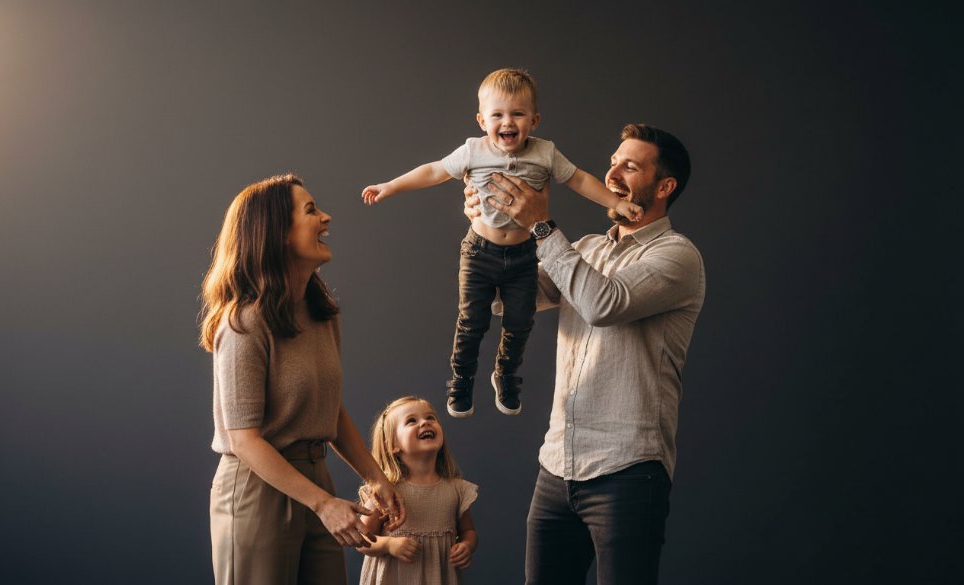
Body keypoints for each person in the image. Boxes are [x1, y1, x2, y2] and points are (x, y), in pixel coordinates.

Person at [465, 124, 706, 584]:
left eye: (630, 166)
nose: (611, 173)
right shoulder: (587, 248)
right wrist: (488, 229)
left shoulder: (678, 256)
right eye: (613, 161)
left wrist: (540, 226)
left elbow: (602, 304)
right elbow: (500, 300)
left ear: (664, 187)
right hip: (557, 467)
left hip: (629, 471)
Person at [361, 68, 643, 419]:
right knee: (471, 321)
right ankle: (461, 380)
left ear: (535, 120)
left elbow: (580, 180)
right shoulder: (473, 151)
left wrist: (614, 203)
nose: (507, 122)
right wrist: (390, 186)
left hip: (525, 254)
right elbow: (433, 171)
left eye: (518, 114)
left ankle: (506, 375)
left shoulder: (545, 153)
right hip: (480, 252)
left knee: (520, 321)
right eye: (497, 115)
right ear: (482, 120)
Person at [200, 174, 406, 585]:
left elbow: (329, 410)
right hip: (257, 490)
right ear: (275, 234)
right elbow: (244, 439)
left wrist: (375, 476)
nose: (326, 217)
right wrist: (324, 504)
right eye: (311, 210)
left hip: (316, 481)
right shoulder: (244, 322)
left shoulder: (320, 314)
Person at [357, 396, 479, 585]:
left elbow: (468, 530)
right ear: (393, 445)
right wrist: (388, 545)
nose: (425, 423)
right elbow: (361, 538)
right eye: (412, 421)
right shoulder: (385, 491)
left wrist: (466, 546)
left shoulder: (456, 489)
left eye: (431, 418)